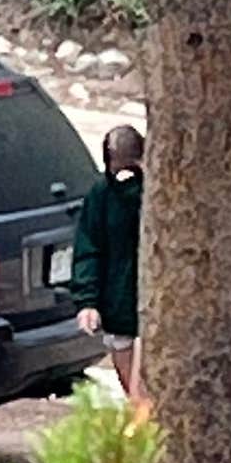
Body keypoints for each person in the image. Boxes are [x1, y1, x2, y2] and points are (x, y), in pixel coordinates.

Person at [72, 119, 146, 404]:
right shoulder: (101, 196)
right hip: (119, 309)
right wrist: (87, 301)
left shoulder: (159, 194)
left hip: (151, 309)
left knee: (144, 391)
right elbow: (89, 248)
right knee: (135, 392)